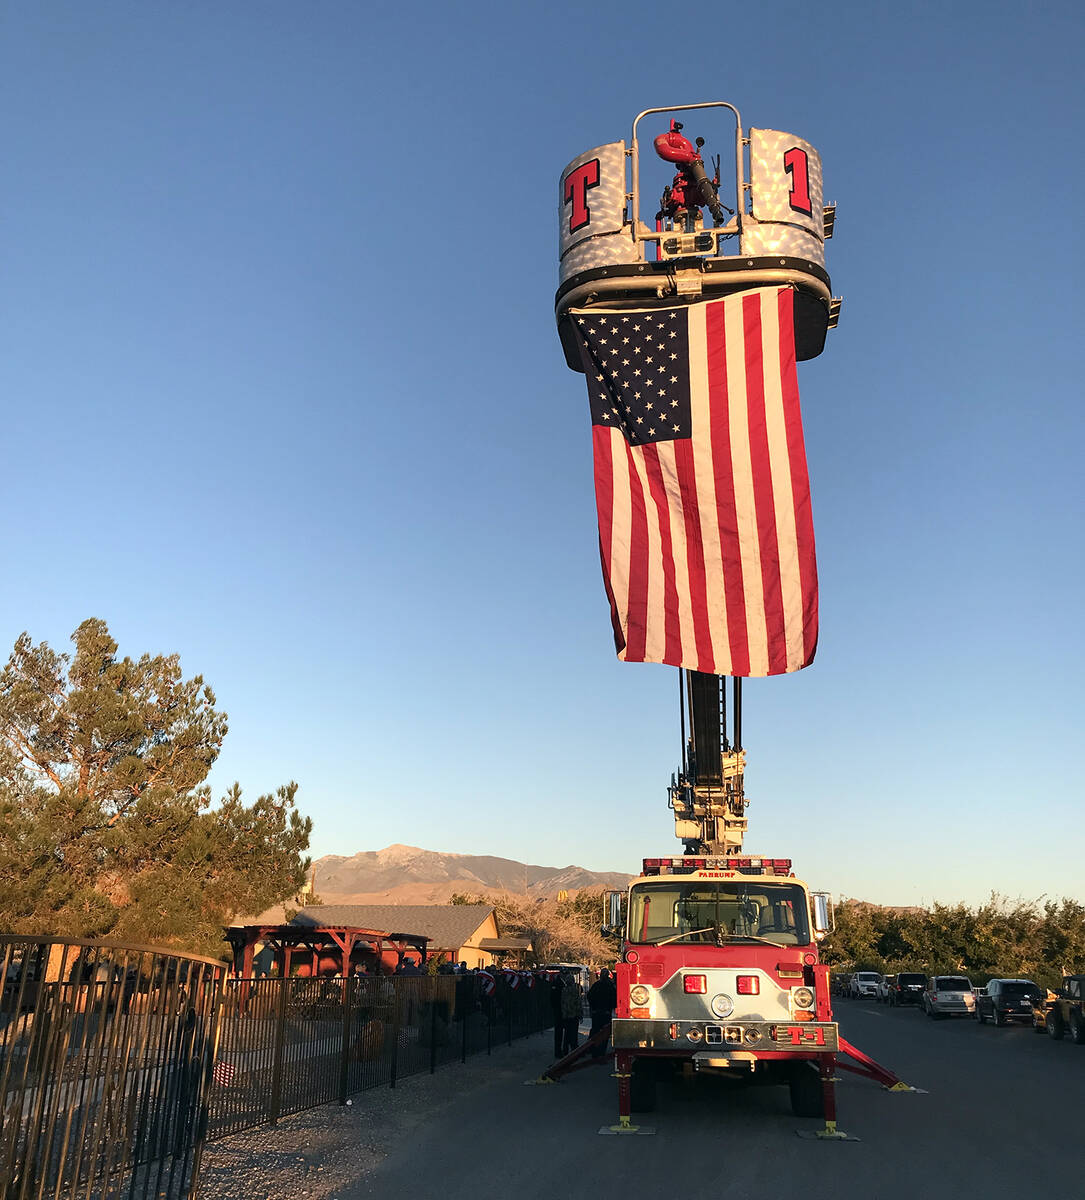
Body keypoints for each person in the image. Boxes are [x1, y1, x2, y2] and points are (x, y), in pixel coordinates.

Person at [587, 968, 617, 1059]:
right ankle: (601, 1052)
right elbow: (614, 998)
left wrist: (594, 1007)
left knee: (596, 1032)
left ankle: (594, 1051)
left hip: (597, 1012)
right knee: (604, 1034)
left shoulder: (596, 985)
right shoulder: (610, 986)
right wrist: (610, 1008)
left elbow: (589, 996)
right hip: (605, 1012)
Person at [559, 969, 581, 1056]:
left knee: (566, 1034)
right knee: (574, 1034)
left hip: (566, 1015)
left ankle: (565, 1050)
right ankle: (574, 1050)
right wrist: (580, 1014)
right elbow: (578, 1003)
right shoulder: (575, 990)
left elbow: (562, 1003)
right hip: (574, 1014)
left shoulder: (563, 991)